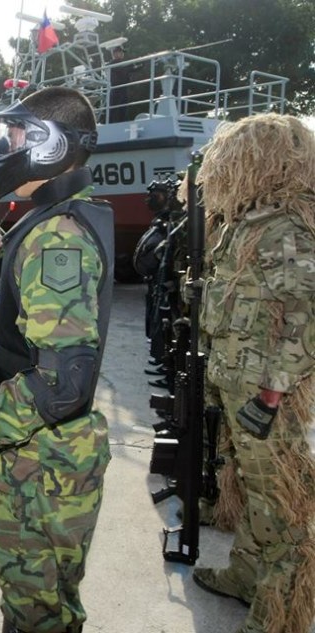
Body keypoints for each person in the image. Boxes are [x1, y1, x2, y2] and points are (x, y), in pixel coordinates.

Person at [0, 87, 113, 633]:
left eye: (18, 134)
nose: (6, 146)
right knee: (49, 603)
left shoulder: (57, 240)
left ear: (52, 147)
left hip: (44, 459)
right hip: (46, 451)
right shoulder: (55, 221)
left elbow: (61, 382)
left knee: (35, 611)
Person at [192, 113, 315, 633]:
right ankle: (246, 576)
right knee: (249, 488)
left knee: (281, 509)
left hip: (267, 395)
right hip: (235, 380)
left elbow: (307, 315)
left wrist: (271, 394)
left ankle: (279, 617)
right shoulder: (248, 222)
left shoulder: (285, 228)